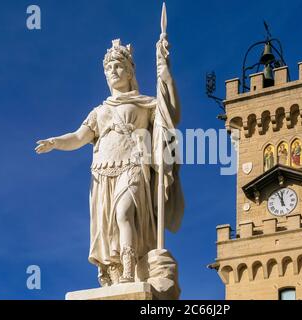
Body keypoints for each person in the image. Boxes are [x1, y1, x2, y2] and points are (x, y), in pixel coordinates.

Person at [35, 37, 184, 287]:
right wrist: (55, 142)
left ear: (129, 71)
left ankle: (129, 271)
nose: (113, 71)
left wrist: (165, 73)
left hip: (134, 166)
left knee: (124, 212)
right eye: (109, 68)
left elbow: (171, 114)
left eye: (118, 66)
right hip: (103, 171)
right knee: (111, 225)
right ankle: (116, 272)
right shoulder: (99, 111)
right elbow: (79, 137)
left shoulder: (145, 103)